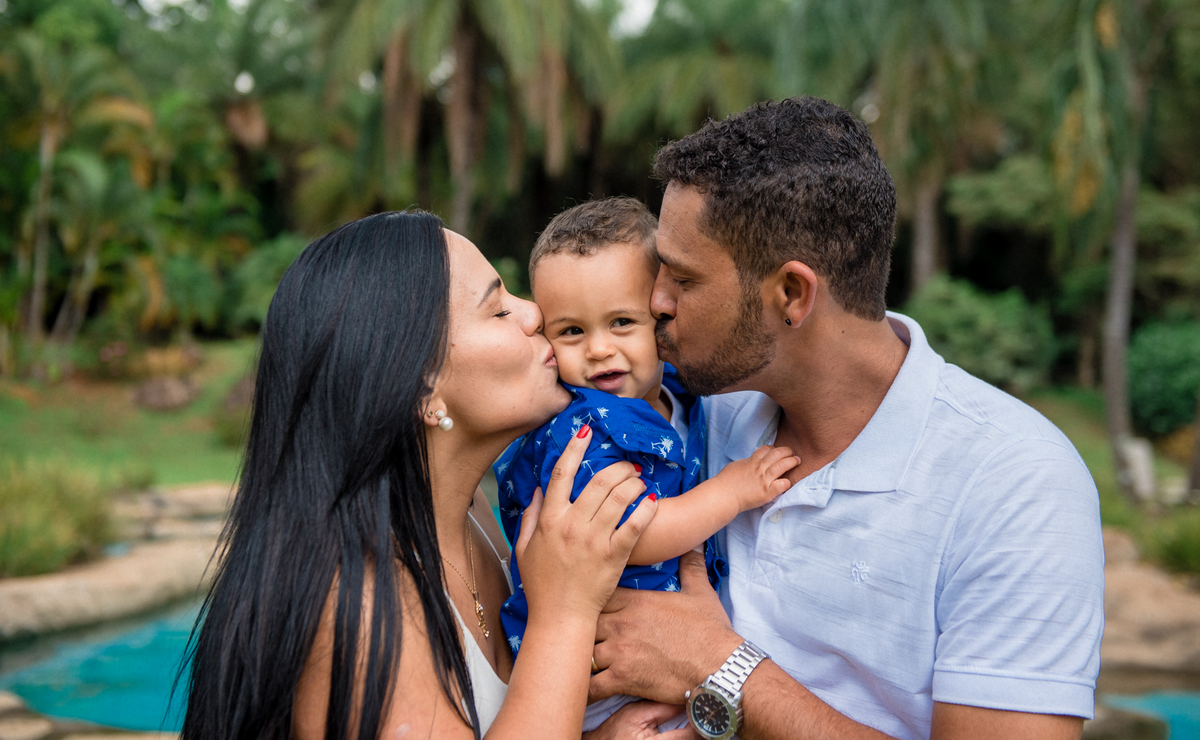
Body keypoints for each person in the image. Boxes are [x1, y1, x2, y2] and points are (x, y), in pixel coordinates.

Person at [587, 97, 1105, 740]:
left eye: (683, 279)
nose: (655, 300)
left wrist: (718, 667)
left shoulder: (1015, 483)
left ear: (792, 294)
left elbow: (695, 658)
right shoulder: (699, 410)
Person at [179, 211, 671, 740]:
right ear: (422, 388)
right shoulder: (361, 607)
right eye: (498, 309)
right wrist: (564, 614)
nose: (535, 313)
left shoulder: (468, 513)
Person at [492, 197, 798, 731]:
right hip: (604, 665)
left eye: (621, 322)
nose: (598, 349)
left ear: (660, 315)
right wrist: (733, 490)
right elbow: (631, 534)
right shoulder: (584, 429)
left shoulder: (680, 391)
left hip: (666, 644)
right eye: (571, 331)